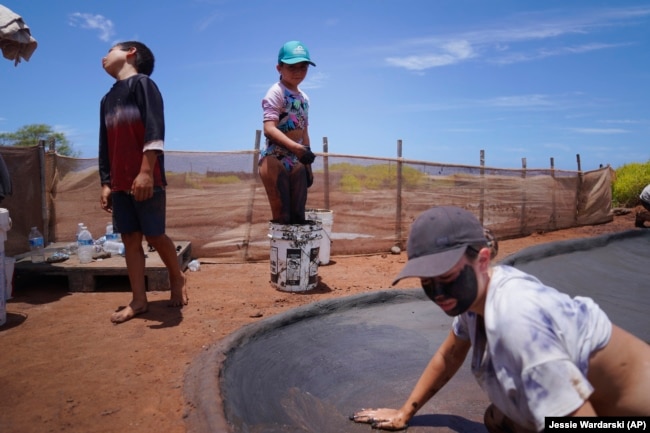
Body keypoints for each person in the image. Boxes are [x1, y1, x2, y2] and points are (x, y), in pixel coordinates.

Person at [352, 206, 650, 432]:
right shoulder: (477, 296)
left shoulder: (518, 321)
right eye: (426, 281)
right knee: (498, 419)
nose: (439, 292)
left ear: (481, 259)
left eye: (446, 276)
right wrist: (406, 412)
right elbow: (450, 353)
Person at [98, 41, 188, 324]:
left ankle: (177, 276)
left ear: (130, 53)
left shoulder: (143, 85)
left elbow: (154, 128)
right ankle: (139, 300)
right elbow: (104, 144)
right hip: (121, 181)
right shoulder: (106, 99)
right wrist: (106, 182)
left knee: (155, 235)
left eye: (110, 49)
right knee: (129, 238)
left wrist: (146, 171)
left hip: (146, 178)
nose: (103, 56)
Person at [259, 40, 316, 224]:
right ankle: (281, 253)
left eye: (303, 67)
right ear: (279, 68)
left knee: (299, 217)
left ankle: (297, 253)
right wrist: (297, 149)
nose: (298, 72)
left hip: (296, 160)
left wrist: (307, 164)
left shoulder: (304, 98)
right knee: (282, 218)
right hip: (275, 158)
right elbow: (269, 128)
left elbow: (304, 132)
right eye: (292, 67)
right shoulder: (276, 92)